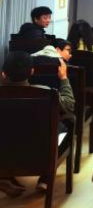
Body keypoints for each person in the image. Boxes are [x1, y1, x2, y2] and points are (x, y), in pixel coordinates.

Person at [0, 51, 76, 196]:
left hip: (4, 155)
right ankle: (45, 179)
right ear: (32, 72)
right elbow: (69, 104)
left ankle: (4, 175)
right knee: (66, 126)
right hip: (40, 156)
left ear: (3, 74)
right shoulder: (46, 93)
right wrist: (64, 78)